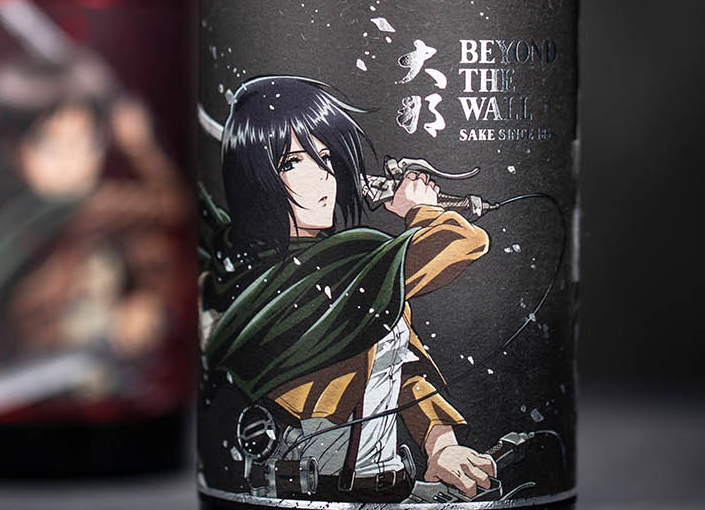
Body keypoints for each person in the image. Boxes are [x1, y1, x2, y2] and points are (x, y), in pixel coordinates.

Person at [199, 76, 497, 502]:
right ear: (256, 178)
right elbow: (462, 242)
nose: (323, 176)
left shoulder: (356, 269)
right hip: (300, 496)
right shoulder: (318, 273)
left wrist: (441, 447)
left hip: (387, 489)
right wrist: (420, 210)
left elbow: (401, 372)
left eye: (325, 156)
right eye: (292, 162)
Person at [0, 50, 189, 415]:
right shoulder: (6, 209)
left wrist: (146, 307)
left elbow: (172, 212)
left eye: (85, 142)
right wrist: (141, 145)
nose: (70, 161)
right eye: (48, 144)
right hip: (33, 372)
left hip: (107, 368)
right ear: (14, 150)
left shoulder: (102, 207)